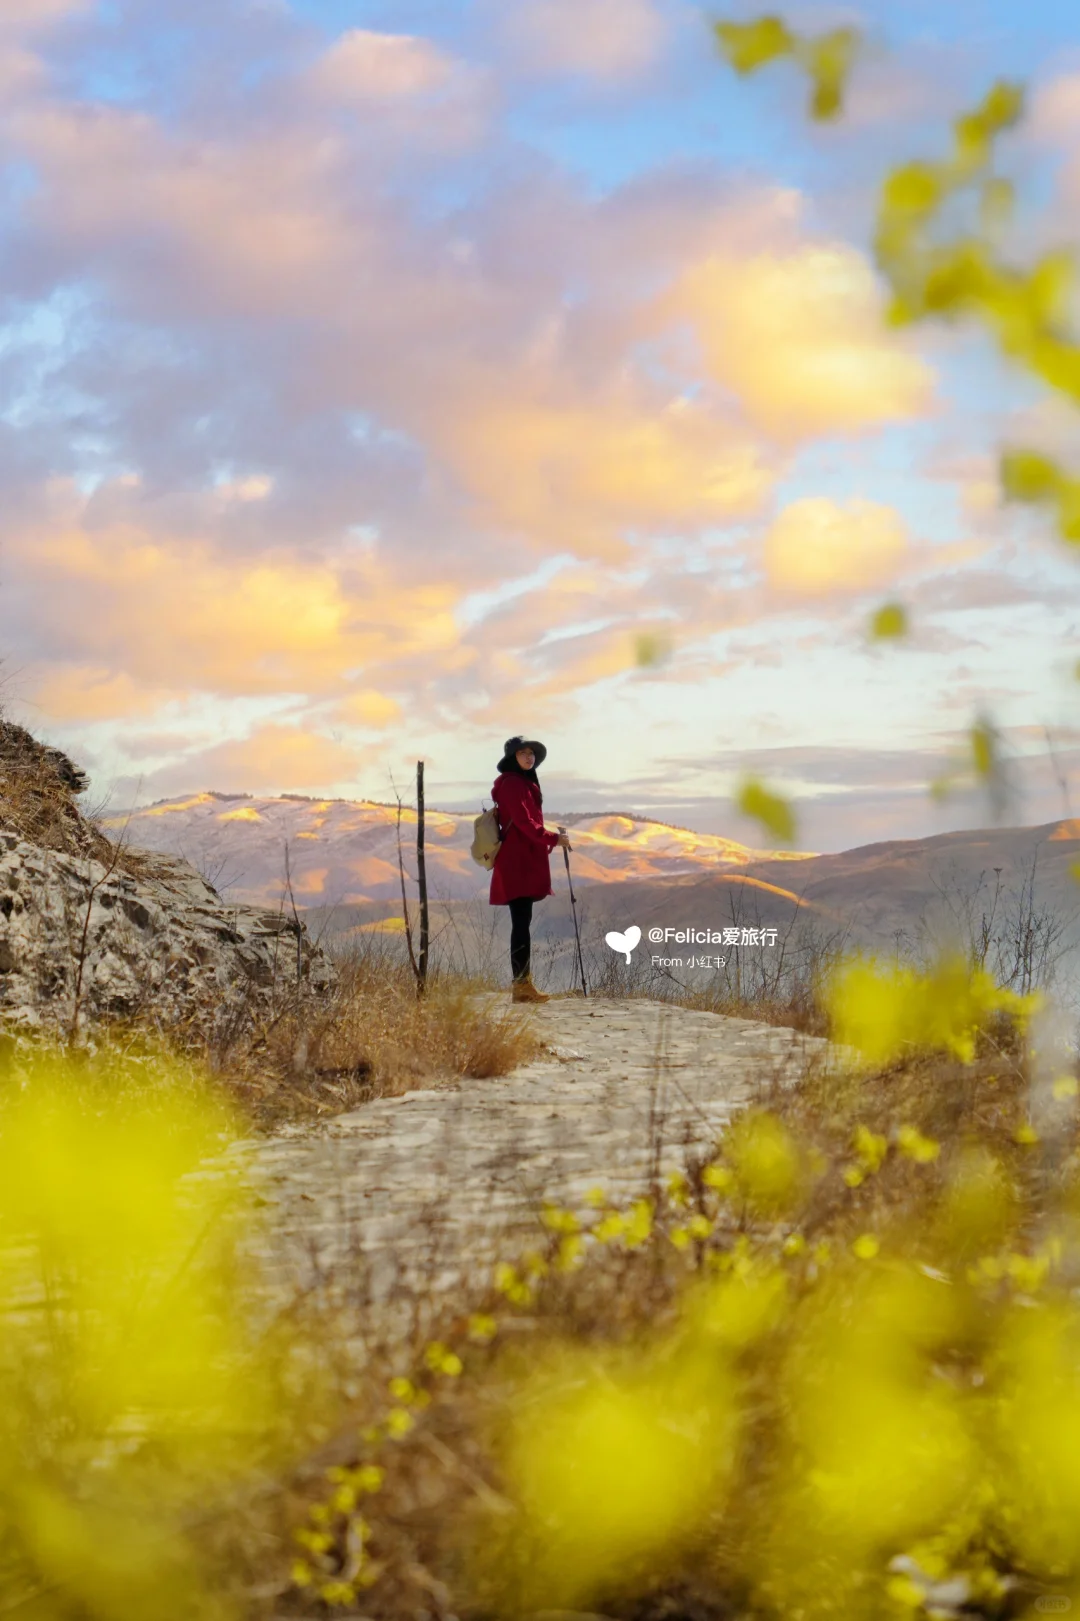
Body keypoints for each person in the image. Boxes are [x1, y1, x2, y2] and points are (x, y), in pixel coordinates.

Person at [489, 735, 571, 1003]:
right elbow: (524, 823)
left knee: (522, 922)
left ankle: (522, 985)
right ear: (513, 757)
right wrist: (553, 839)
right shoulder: (513, 784)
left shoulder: (523, 783)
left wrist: (547, 841)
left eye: (531, 754)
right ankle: (521, 986)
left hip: (522, 859)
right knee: (521, 923)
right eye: (523, 753)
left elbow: (525, 823)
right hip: (517, 862)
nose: (529, 757)